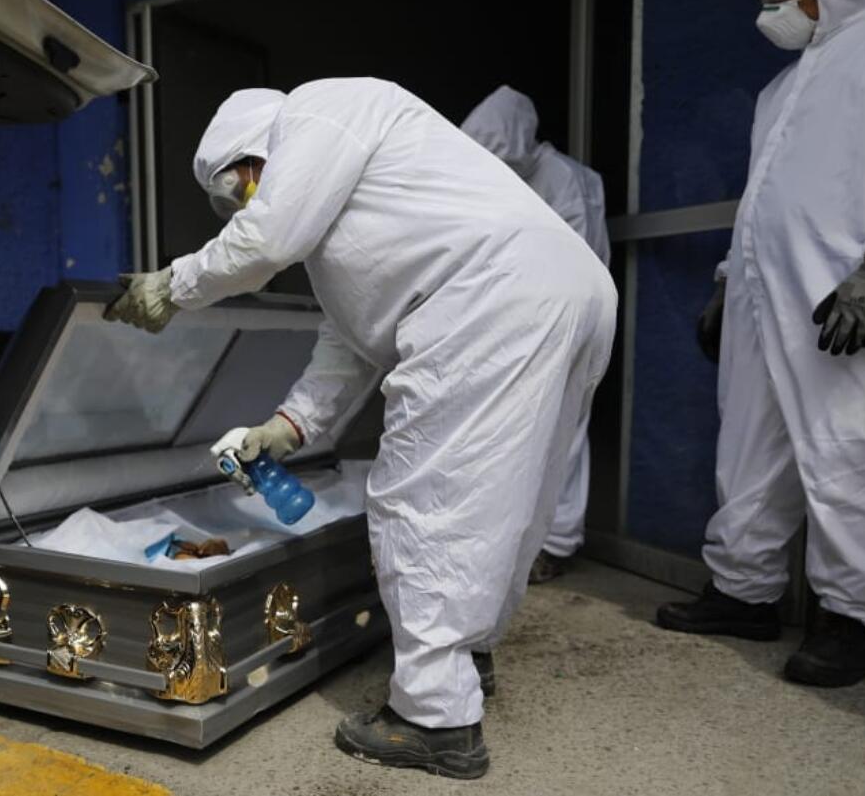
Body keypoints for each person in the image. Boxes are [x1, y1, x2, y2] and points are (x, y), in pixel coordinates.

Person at [106, 78, 616, 778]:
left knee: (420, 503)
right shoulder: (367, 211)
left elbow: (266, 238)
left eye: (245, 187)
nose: (247, 205)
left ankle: (435, 718)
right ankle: (463, 658)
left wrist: (176, 283)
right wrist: (288, 425)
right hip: (567, 289)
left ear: (258, 149)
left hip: (492, 296)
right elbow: (346, 343)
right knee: (506, 501)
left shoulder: (318, 109)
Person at [657, 0, 865, 688]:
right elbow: (762, 195)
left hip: (842, 294)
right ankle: (743, 589)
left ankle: (856, 618)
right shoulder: (780, 89)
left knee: (845, 445)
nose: (772, 7)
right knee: (749, 442)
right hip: (763, 292)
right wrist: (730, 279)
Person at [461, 86, 612, 584]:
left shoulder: (562, 178)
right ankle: (515, 544)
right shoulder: (499, 181)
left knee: (561, 436)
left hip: (568, 327)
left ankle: (557, 543)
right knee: (515, 440)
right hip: (518, 331)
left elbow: (578, 263)